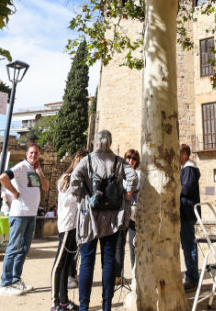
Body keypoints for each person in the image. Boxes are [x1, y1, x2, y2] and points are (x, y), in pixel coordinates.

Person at [70, 130, 137, 311]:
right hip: (113, 217)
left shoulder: (87, 160)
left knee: (87, 262)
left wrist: (83, 197)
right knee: (108, 262)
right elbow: (133, 177)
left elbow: (73, 181)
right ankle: (106, 306)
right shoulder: (119, 161)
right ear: (111, 142)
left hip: (89, 217)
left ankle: (84, 307)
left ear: (96, 143)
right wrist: (127, 194)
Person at [0, 143, 50, 296]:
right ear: (27, 154)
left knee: (23, 249)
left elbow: (46, 186)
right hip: (19, 214)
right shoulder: (21, 166)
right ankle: (5, 283)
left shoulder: (35, 170)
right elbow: (3, 177)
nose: (34, 155)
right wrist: (13, 191)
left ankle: (15, 280)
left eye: (36, 153)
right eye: (31, 153)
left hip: (31, 215)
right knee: (14, 248)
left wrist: (39, 170)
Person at [51, 148, 87, 311]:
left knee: (67, 265)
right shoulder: (66, 179)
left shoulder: (82, 181)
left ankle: (64, 301)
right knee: (59, 264)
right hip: (67, 226)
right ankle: (54, 303)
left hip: (76, 227)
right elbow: (69, 201)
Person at [113, 148, 141, 285]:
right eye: (129, 157)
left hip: (136, 216)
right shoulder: (120, 174)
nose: (131, 160)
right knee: (119, 244)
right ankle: (117, 276)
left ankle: (136, 273)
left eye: (134, 158)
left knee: (134, 245)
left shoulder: (139, 174)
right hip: (123, 214)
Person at [179, 143, 201, 290]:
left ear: (185, 154)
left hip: (187, 212)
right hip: (186, 212)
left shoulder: (189, 169)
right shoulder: (187, 169)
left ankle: (192, 277)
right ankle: (191, 274)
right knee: (186, 245)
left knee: (189, 245)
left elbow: (185, 189)